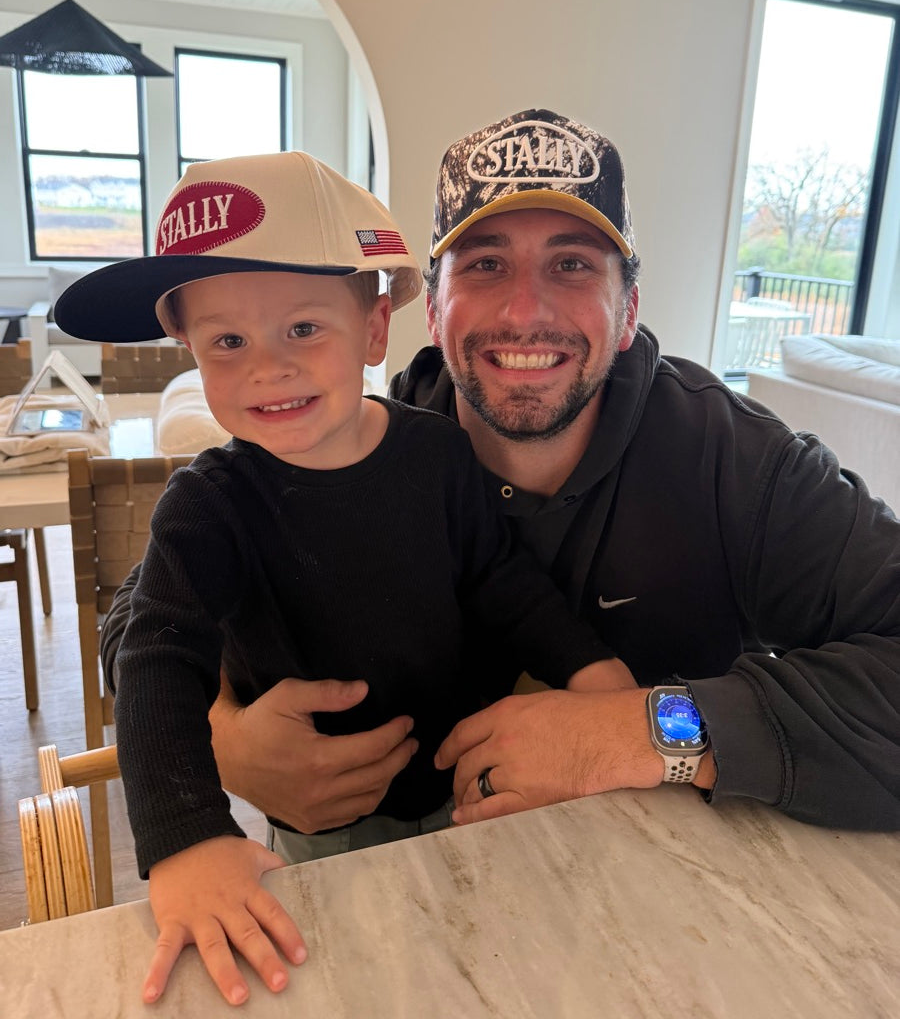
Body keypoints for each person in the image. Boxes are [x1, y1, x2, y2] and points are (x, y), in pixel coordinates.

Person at [102, 110, 900, 843]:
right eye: (485, 264)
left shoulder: (738, 463)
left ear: (627, 312)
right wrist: (222, 741)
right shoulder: (354, 439)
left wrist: (645, 730)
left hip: (656, 874)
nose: (524, 311)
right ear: (431, 311)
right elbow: (144, 618)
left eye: (572, 264)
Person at [55, 149, 630, 1006]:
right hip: (318, 817)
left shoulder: (438, 455)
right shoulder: (206, 506)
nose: (265, 367)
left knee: (491, 966)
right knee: (345, 977)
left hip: (465, 779)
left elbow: (501, 581)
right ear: (189, 350)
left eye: (302, 329)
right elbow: (155, 662)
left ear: (372, 328)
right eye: (226, 341)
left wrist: (594, 675)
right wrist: (187, 840)